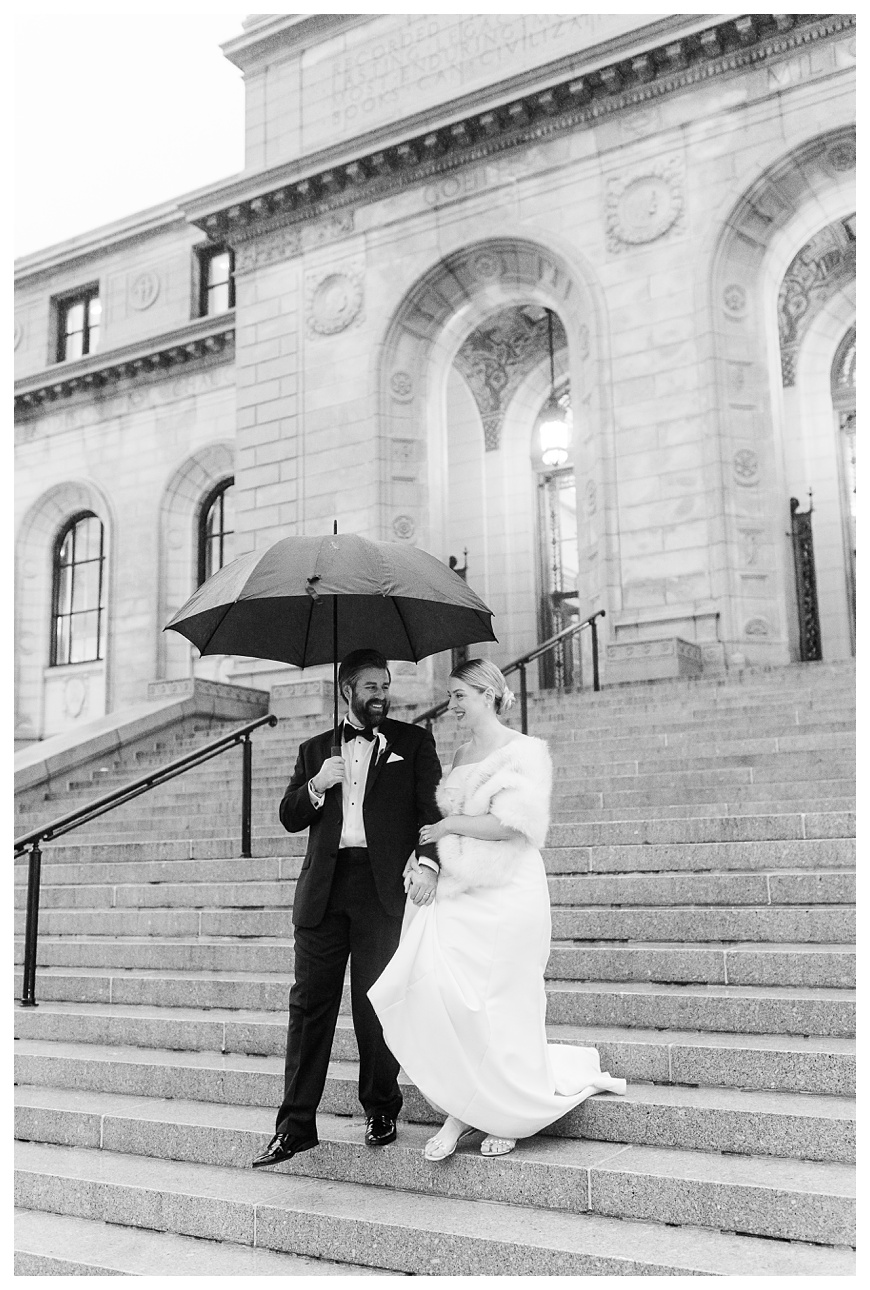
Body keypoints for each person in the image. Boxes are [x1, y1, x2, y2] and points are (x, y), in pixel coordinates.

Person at [369, 658, 626, 1161]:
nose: (452, 705)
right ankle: (466, 1107)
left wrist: (447, 829)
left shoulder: (527, 751)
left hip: (511, 890)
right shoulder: (462, 750)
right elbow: (446, 822)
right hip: (463, 889)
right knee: (451, 995)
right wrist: (423, 858)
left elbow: (513, 825)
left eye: (460, 695)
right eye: (451, 696)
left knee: (506, 1002)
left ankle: (505, 1112)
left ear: (488, 694)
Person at [252, 648, 443, 1168]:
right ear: (347, 690)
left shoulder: (414, 743)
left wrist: (427, 862)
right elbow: (289, 816)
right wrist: (318, 784)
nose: (382, 695)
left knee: (374, 1007)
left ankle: (382, 1108)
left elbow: (432, 812)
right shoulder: (315, 750)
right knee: (308, 1010)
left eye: (386, 686)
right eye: (372, 687)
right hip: (324, 893)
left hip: (382, 890)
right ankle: (294, 1127)